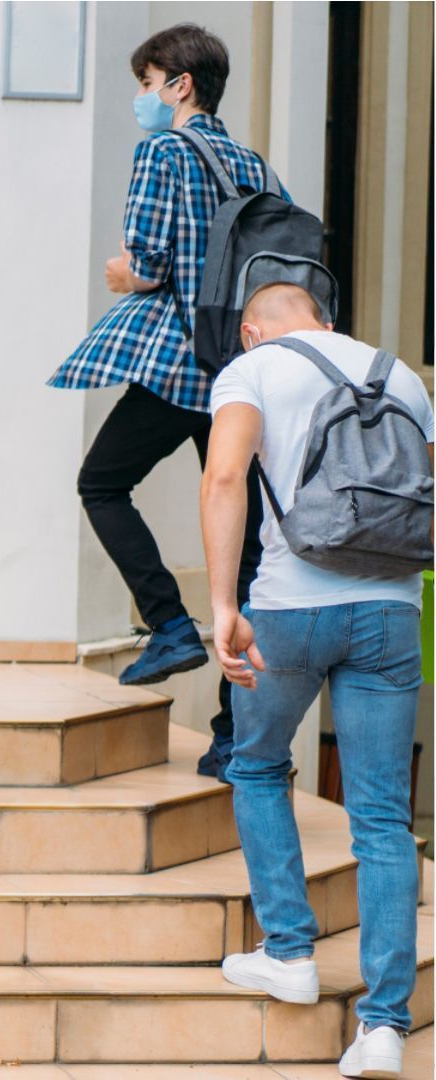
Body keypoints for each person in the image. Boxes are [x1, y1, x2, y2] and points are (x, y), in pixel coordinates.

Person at [202, 282, 432, 1080]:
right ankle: (383, 1029)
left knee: (259, 765)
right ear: (327, 322)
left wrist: (223, 604)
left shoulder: (253, 370)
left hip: (289, 610)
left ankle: (291, 953)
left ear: (251, 330)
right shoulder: (398, 374)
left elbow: (225, 478)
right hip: (391, 614)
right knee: (381, 818)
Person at [49, 23, 277, 778]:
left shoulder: (162, 151)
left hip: (181, 361)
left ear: (180, 85)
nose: (142, 100)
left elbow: (146, 263)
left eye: (146, 84)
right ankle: (231, 735)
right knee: (243, 548)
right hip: (241, 370)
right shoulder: (254, 164)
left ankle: (169, 624)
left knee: (101, 481)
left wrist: (122, 272)